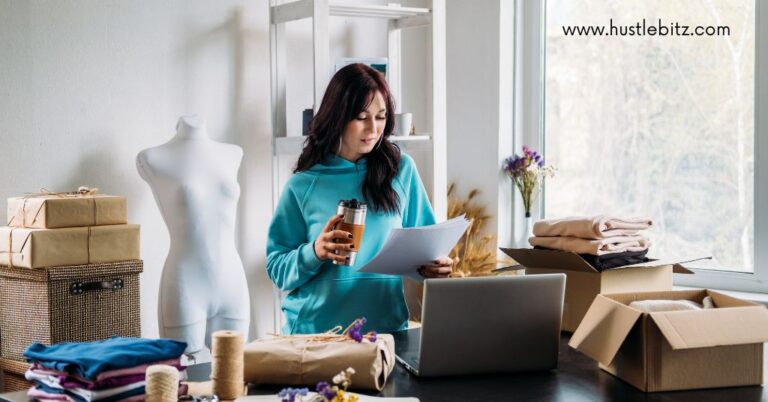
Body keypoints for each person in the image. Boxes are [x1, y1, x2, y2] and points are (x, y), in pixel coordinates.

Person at [266, 64, 453, 335]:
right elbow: (277, 268)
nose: (373, 129)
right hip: (315, 336)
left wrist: (435, 266)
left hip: (385, 334)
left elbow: (424, 249)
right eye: (362, 117)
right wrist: (315, 251)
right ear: (338, 116)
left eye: (380, 117)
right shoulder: (303, 184)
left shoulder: (401, 171)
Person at [137, 115, 250, 354]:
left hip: (232, 280)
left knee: (234, 374)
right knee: (183, 379)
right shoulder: (153, 158)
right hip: (185, 283)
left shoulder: (232, 153)